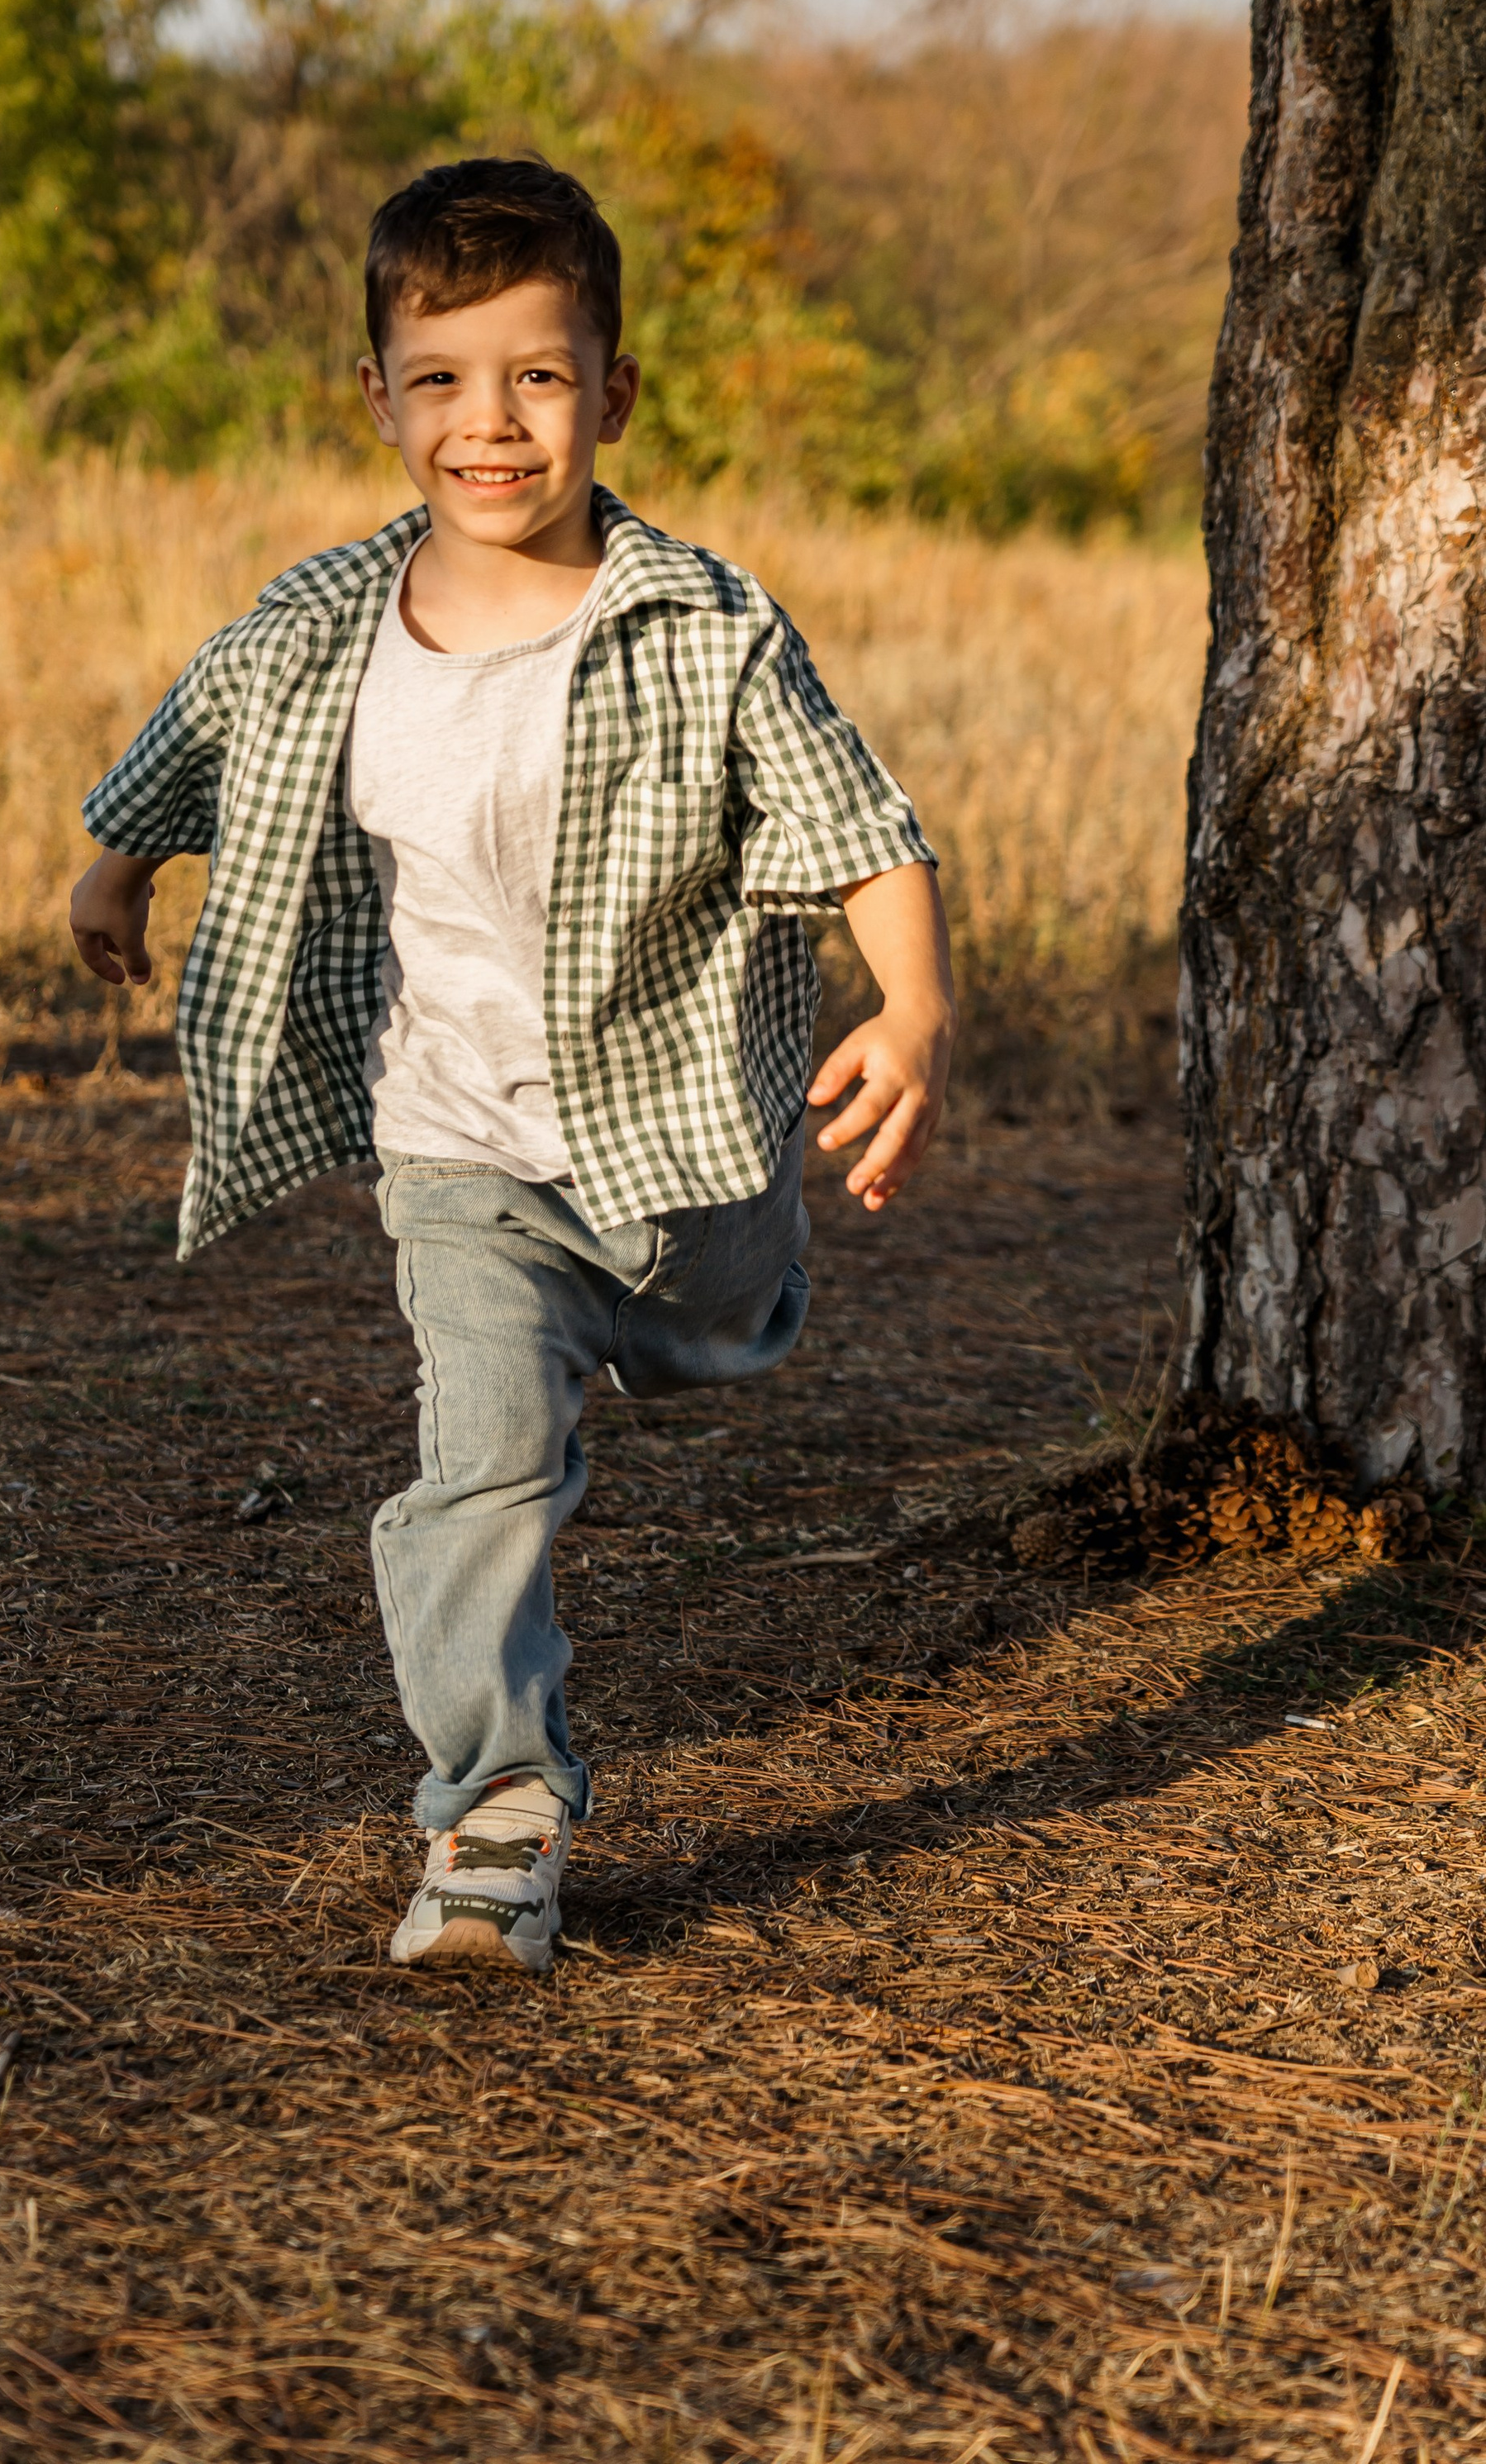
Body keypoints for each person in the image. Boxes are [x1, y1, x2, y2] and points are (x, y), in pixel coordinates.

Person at [69, 158, 955, 1976]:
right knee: (479, 1467)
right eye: (444, 377)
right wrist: (115, 853)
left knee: (710, 1317)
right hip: (457, 1150)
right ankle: (496, 1809)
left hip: (683, 1144)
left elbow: (862, 828)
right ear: (378, 399)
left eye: (537, 377)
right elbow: (201, 710)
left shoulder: (699, 625)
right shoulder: (321, 619)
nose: (491, 422)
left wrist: (911, 1010)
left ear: (610, 395)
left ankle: (726, 1295)